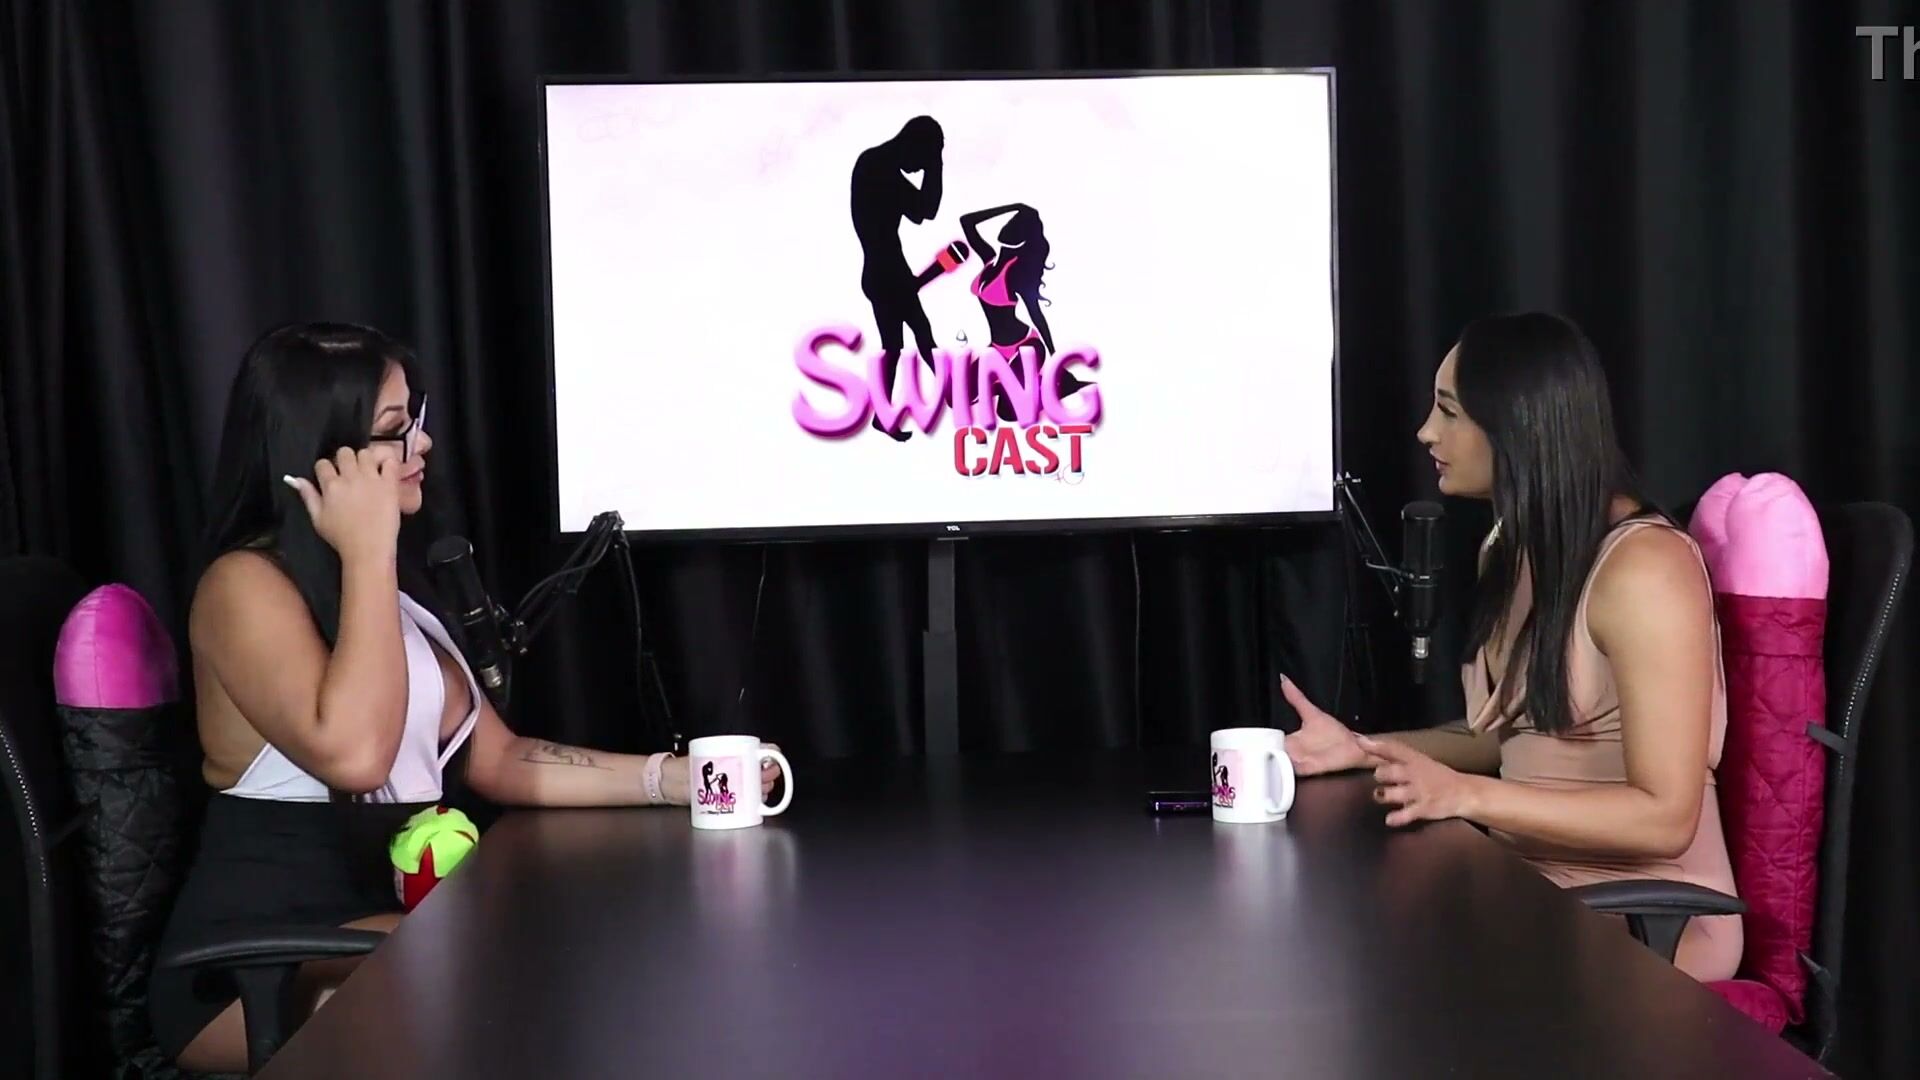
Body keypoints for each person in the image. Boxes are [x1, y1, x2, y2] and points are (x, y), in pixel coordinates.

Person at [148, 323, 782, 1073]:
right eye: (395, 429)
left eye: (415, 420)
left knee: (605, 938)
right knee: (532, 983)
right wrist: (368, 548)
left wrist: (674, 780)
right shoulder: (243, 587)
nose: (421, 444)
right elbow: (355, 756)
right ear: (324, 454)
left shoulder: (386, 599)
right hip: (256, 965)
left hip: (375, 935)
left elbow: (501, 757)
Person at [1280, 312, 1742, 983]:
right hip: (1529, 887)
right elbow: (1507, 740)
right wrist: (1363, 747)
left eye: (1448, 411)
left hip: (1646, 920)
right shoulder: (1510, 548)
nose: (1426, 432)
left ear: (1518, 427)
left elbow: (1665, 819)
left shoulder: (1646, 570)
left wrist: (1467, 797)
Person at [851, 115, 948, 440]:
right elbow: (926, 210)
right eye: (923, 160)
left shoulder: (875, 164)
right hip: (888, 271)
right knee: (921, 334)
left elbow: (921, 212)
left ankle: (883, 413)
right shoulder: (880, 169)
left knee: (896, 345)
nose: (920, 170)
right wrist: (936, 165)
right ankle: (954, 392)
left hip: (882, 270)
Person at [958, 203, 1089, 421]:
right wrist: (1012, 207)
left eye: (1017, 223)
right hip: (997, 349)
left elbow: (1037, 316)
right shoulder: (989, 259)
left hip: (1026, 347)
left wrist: (1055, 358)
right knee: (957, 399)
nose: (1010, 224)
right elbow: (966, 221)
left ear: (1022, 238)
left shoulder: (1017, 273)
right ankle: (1007, 384)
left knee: (1007, 413)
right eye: (1013, 219)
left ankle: (1049, 389)